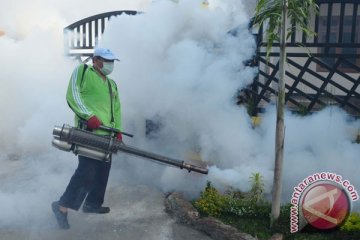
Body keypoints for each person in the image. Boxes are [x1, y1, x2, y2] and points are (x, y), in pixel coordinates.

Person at [51, 48, 122, 229]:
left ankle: (92, 204)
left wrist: (118, 130)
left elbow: (117, 108)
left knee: (102, 171)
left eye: (112, 61)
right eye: (107, 60)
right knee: (86, 171)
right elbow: (73, 95)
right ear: (96, 60)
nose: (110, 64)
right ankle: (61, 206)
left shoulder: (112, 83)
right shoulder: (83, 71)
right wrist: (88, 115)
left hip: (108, 134)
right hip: (89, 132)